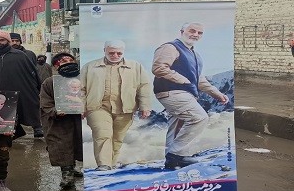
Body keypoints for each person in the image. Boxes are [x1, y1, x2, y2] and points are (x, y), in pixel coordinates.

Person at [152, 22, 229, 170]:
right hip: (171, 92)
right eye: (192, 31)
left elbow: (199, 79)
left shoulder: (195, 55)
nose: (196, 35)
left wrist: (217, 94)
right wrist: (183, 81)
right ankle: (176, 154)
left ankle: (173, 162)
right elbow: (158, 68)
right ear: (182, 31)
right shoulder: (170, 47)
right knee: (199, 117)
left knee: (177, 125)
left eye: (199, 33)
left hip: (185, 93)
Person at [81, 40, 152, 170]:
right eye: (111, 52)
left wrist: (145, 106)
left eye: (119, 53)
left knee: (117, 138)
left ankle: (111, 166)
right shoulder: (90, 67)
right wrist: (80, 107)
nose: (115, 55)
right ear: (105, 51)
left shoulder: (135, 67)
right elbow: (81, 89)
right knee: (103, 134)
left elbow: (144, 87)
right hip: (97, 107)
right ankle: (104, 164)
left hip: (125, 108)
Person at [0, 29, 42, 138]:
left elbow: (32, 72)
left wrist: (36, 87)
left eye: (1, 40)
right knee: (1, 110)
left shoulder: (20, 55)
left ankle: (37, 126)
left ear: (8, 41)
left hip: (20, 86)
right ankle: (10, 131)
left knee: (28, 105)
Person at [40, 53, 83, 190]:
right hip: (60, 121)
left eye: (70, 60)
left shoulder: (84, 80)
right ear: (56, 66)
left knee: (77, 143)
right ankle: (67, 173)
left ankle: (73, 166)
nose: (67, 62)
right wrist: (54, 111)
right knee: (62, 145)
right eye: (63, 61)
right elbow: (45, 101)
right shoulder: (50, 82)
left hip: (79, 118)